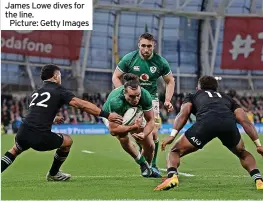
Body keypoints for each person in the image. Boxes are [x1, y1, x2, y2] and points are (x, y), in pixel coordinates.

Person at [1, 64, 123, 181]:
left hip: (23, 131)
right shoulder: (58, 90)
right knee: (67, 141)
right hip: (39, 136)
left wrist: (53, 118)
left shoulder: (36, 92)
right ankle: (53, 174)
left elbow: (36, 112)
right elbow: (80, 104)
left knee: (15, 150)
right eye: (59, 75)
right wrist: (107, 115)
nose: (60, 78)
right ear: (55, 76)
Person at [154, 76, 263, 191]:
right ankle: (259, 180)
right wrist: (258, 145)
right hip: (228, 124)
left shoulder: (193, 95)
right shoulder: (228, 98)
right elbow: (244, 120)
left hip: (206, 124)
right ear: (216, 88)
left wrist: (172, 135)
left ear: (199, 88)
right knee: (242, 153)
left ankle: (172, 177)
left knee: (175, 151)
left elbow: (184, 113)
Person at [112, 32, 175, 174]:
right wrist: (122, 92)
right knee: (137, 133)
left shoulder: (160, 62)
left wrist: (168, 100)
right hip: (133, 100)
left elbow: (170, 80)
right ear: (138, 45)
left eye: (149, 46)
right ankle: (144, 161)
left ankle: (152, 165)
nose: (146, 49)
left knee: (153, 133)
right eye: (143, 46)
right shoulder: (129, 58)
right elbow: (116, 76)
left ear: (154, 46)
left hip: (151, 100)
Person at [103, 73, 161, 178]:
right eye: (132, 96)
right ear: (124, 92)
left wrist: (144, 134)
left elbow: (150, 120)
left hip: (135, 112)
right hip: (111, 115)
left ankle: (148, 168)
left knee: (150, 146)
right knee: (123, 137)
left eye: (138, 95)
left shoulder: (145, 95)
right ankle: (142, 163)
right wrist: (133, 128)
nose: (136, 99)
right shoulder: (116, 101)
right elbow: (113, 130)